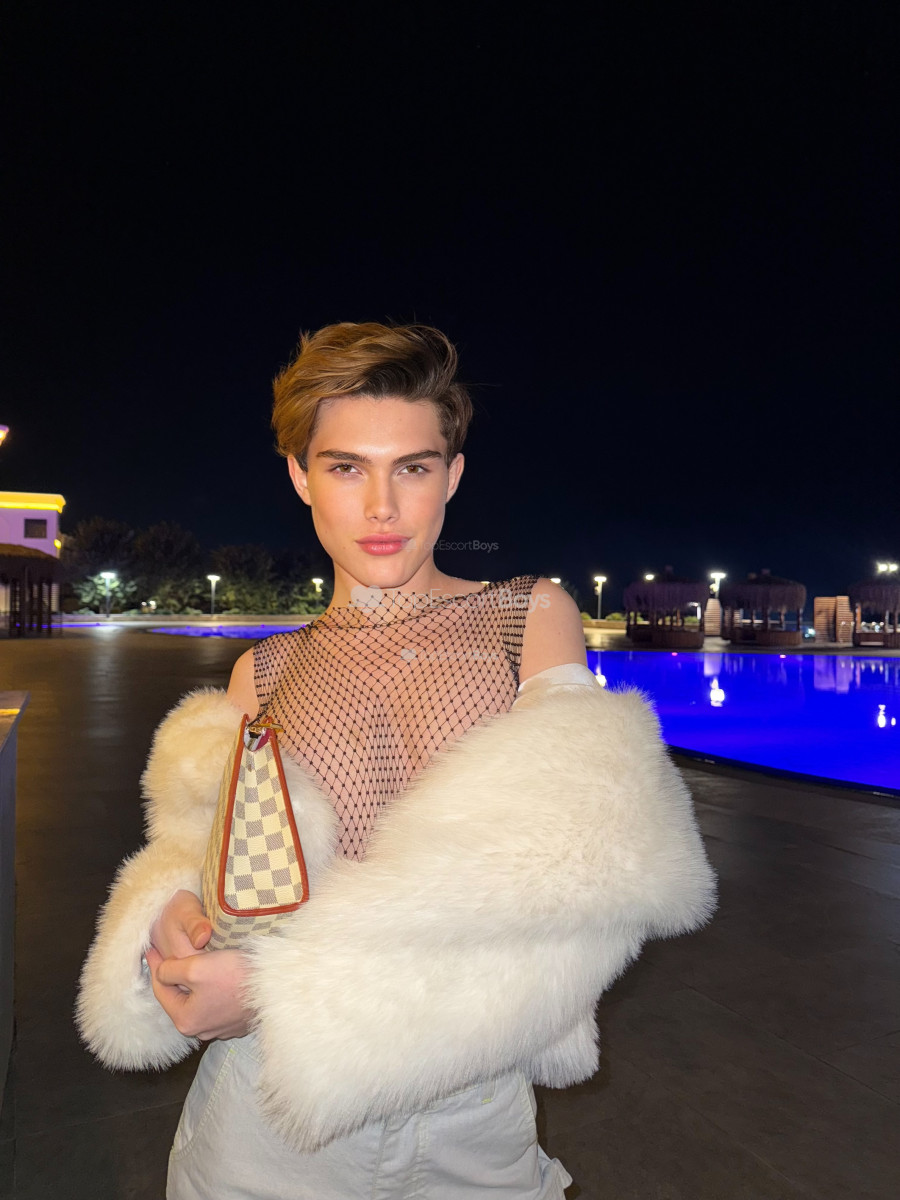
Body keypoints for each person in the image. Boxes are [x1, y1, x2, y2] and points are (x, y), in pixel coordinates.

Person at [77, 322, 717, 1199]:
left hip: (472, 1113)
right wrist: (174, 923)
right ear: (300, 476)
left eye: (412, 468)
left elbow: (591, 886)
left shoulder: (526, 618)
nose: (382, 506)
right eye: (346, 467)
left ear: (452, 475)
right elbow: (198, 861)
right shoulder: (264, 672)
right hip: (266, 1122)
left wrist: (276, 991)